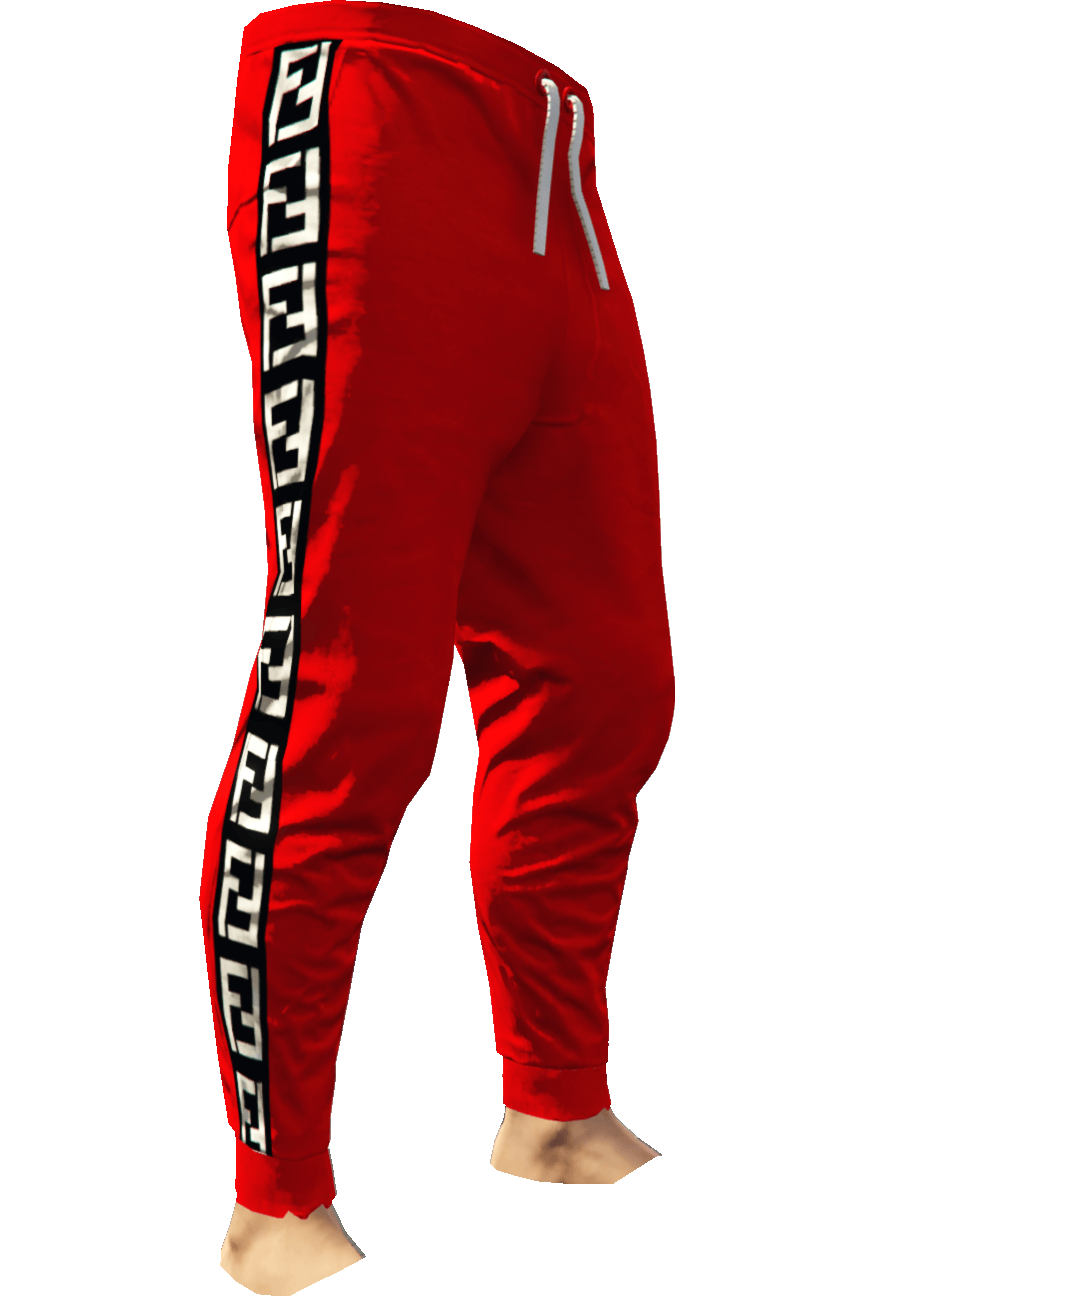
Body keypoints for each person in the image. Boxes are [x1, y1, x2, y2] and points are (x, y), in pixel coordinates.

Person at [204, 4, 673, 1290]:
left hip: (558, 171)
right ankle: (275, 1199)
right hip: (373, 111)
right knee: (352, 690)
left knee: (603, 683)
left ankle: (556, 1104)